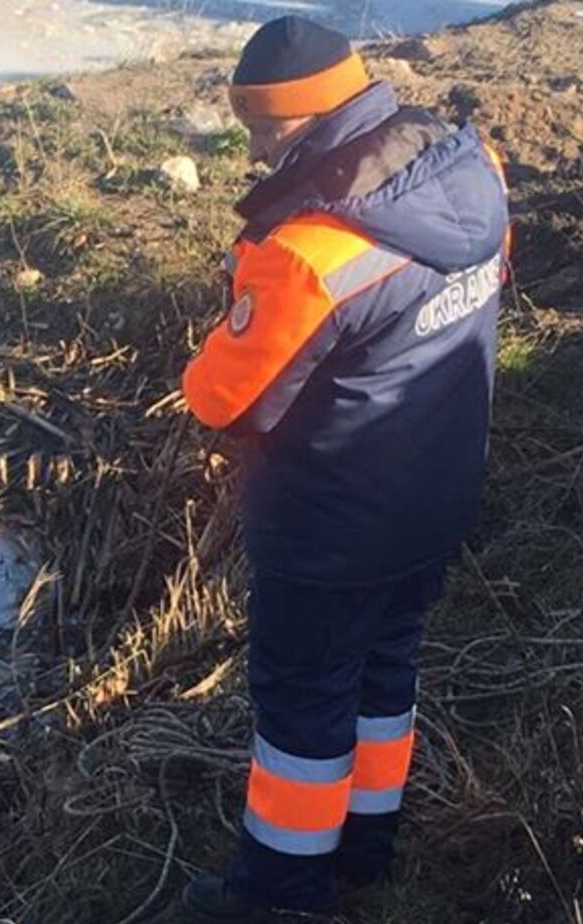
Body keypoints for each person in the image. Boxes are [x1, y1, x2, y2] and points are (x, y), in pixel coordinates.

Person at [178, 16, 511, 921]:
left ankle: (281, 893)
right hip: (435, 498)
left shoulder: (309, 253)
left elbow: (221, 398)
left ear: (287, 125)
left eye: (256, 131)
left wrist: (235, 301)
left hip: (329, 529)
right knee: (385, 671)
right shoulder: (471, 173)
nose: (252, 151)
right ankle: (368, 849)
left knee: (302, 717)